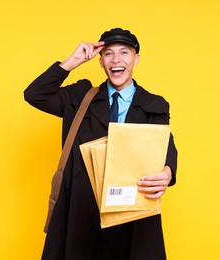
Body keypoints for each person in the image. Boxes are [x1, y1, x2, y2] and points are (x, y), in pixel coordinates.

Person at [24, 28, 178, 260]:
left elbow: (165, 143)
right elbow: (35, 94)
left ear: (136, 58)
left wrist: (167, 172)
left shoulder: (154, 104)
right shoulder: (80, 96)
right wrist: (72, 61)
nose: (116, 60)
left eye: (124, 53)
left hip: (133, 213)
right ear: (100, 61)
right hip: (82, 213)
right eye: (108, 54)